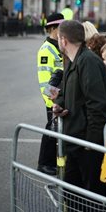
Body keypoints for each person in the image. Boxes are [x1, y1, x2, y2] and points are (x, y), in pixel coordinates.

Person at [52, 20, 106, 210]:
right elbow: (67, 92)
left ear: (63, 40)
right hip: (74, 140)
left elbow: (97, 105)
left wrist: (91, 144)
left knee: (91, 201)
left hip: (87, 145)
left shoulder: (88, 61)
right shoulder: (71, 60)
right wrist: (59, 105)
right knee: (73, 196)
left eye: (58, 38)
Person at [36, 12, 64, 175]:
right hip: (52, 99)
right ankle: (44, 163)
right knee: (51, 132)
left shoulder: (57, 46)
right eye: (61, 27)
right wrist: (51, 99)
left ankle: (51, 162)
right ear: (53, 28)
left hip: (58, 97)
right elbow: (45, 80)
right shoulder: (46, 50)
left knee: (55, 132)